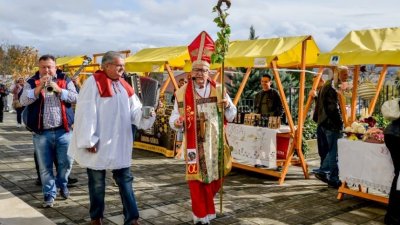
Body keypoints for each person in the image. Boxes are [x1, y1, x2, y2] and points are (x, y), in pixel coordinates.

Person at [68, 51, 155, 225]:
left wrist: (146, 114)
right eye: (118, 65)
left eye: (123, 65)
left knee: (125, 181)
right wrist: (89, 140)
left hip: (119, 143)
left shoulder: (124, 85)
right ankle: (96, 217)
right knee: (97, 183)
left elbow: (134, 110)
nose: (122, 69)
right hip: (98, 143)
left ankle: (132, 218)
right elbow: (85, 113)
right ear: (106, 66)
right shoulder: (92, 83)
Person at [169, 31, 237, 225]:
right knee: (196, 181)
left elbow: (231, 116)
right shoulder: (182, 93)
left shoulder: (219, 89)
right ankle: (200, 216)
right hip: (194, 144)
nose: (200, 74)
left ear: (209, 72)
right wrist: (177, 122)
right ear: (191, 72)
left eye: (204, 70)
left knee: (216, 178)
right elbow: (174, 117)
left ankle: (207, 209)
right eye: (196, 70)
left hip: (214, 144)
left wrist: (228, 106)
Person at [20, 54, 78, 208]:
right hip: (41, 133)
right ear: (39, 68)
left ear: (55, 67)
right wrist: (39, 88)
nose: (47, 70)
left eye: (49, 67)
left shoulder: (65, 79)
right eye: (43, 67)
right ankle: (49, 194)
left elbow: (76, 98)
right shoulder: (32, 81)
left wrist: (60, 90)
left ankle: (62, 184)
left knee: (66, 164)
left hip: (64, 131)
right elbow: (23, 100)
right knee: (45, 167)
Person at [314, 66, 349, 188]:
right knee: (334, 152)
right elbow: (332, 108)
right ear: (337, 74)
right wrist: (341, 124)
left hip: (324, 122)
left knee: (332, 151)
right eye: (344, 74)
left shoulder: (328, 85)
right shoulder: (332, 87)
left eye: (347, 74)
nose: (347, 77)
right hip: (331, 124)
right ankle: (327, 173)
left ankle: (330, 176)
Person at [383, 103, 400, 225]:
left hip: (391, 133)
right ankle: (394, 217)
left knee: (398, 174)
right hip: (397, 134)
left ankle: (392, 216)